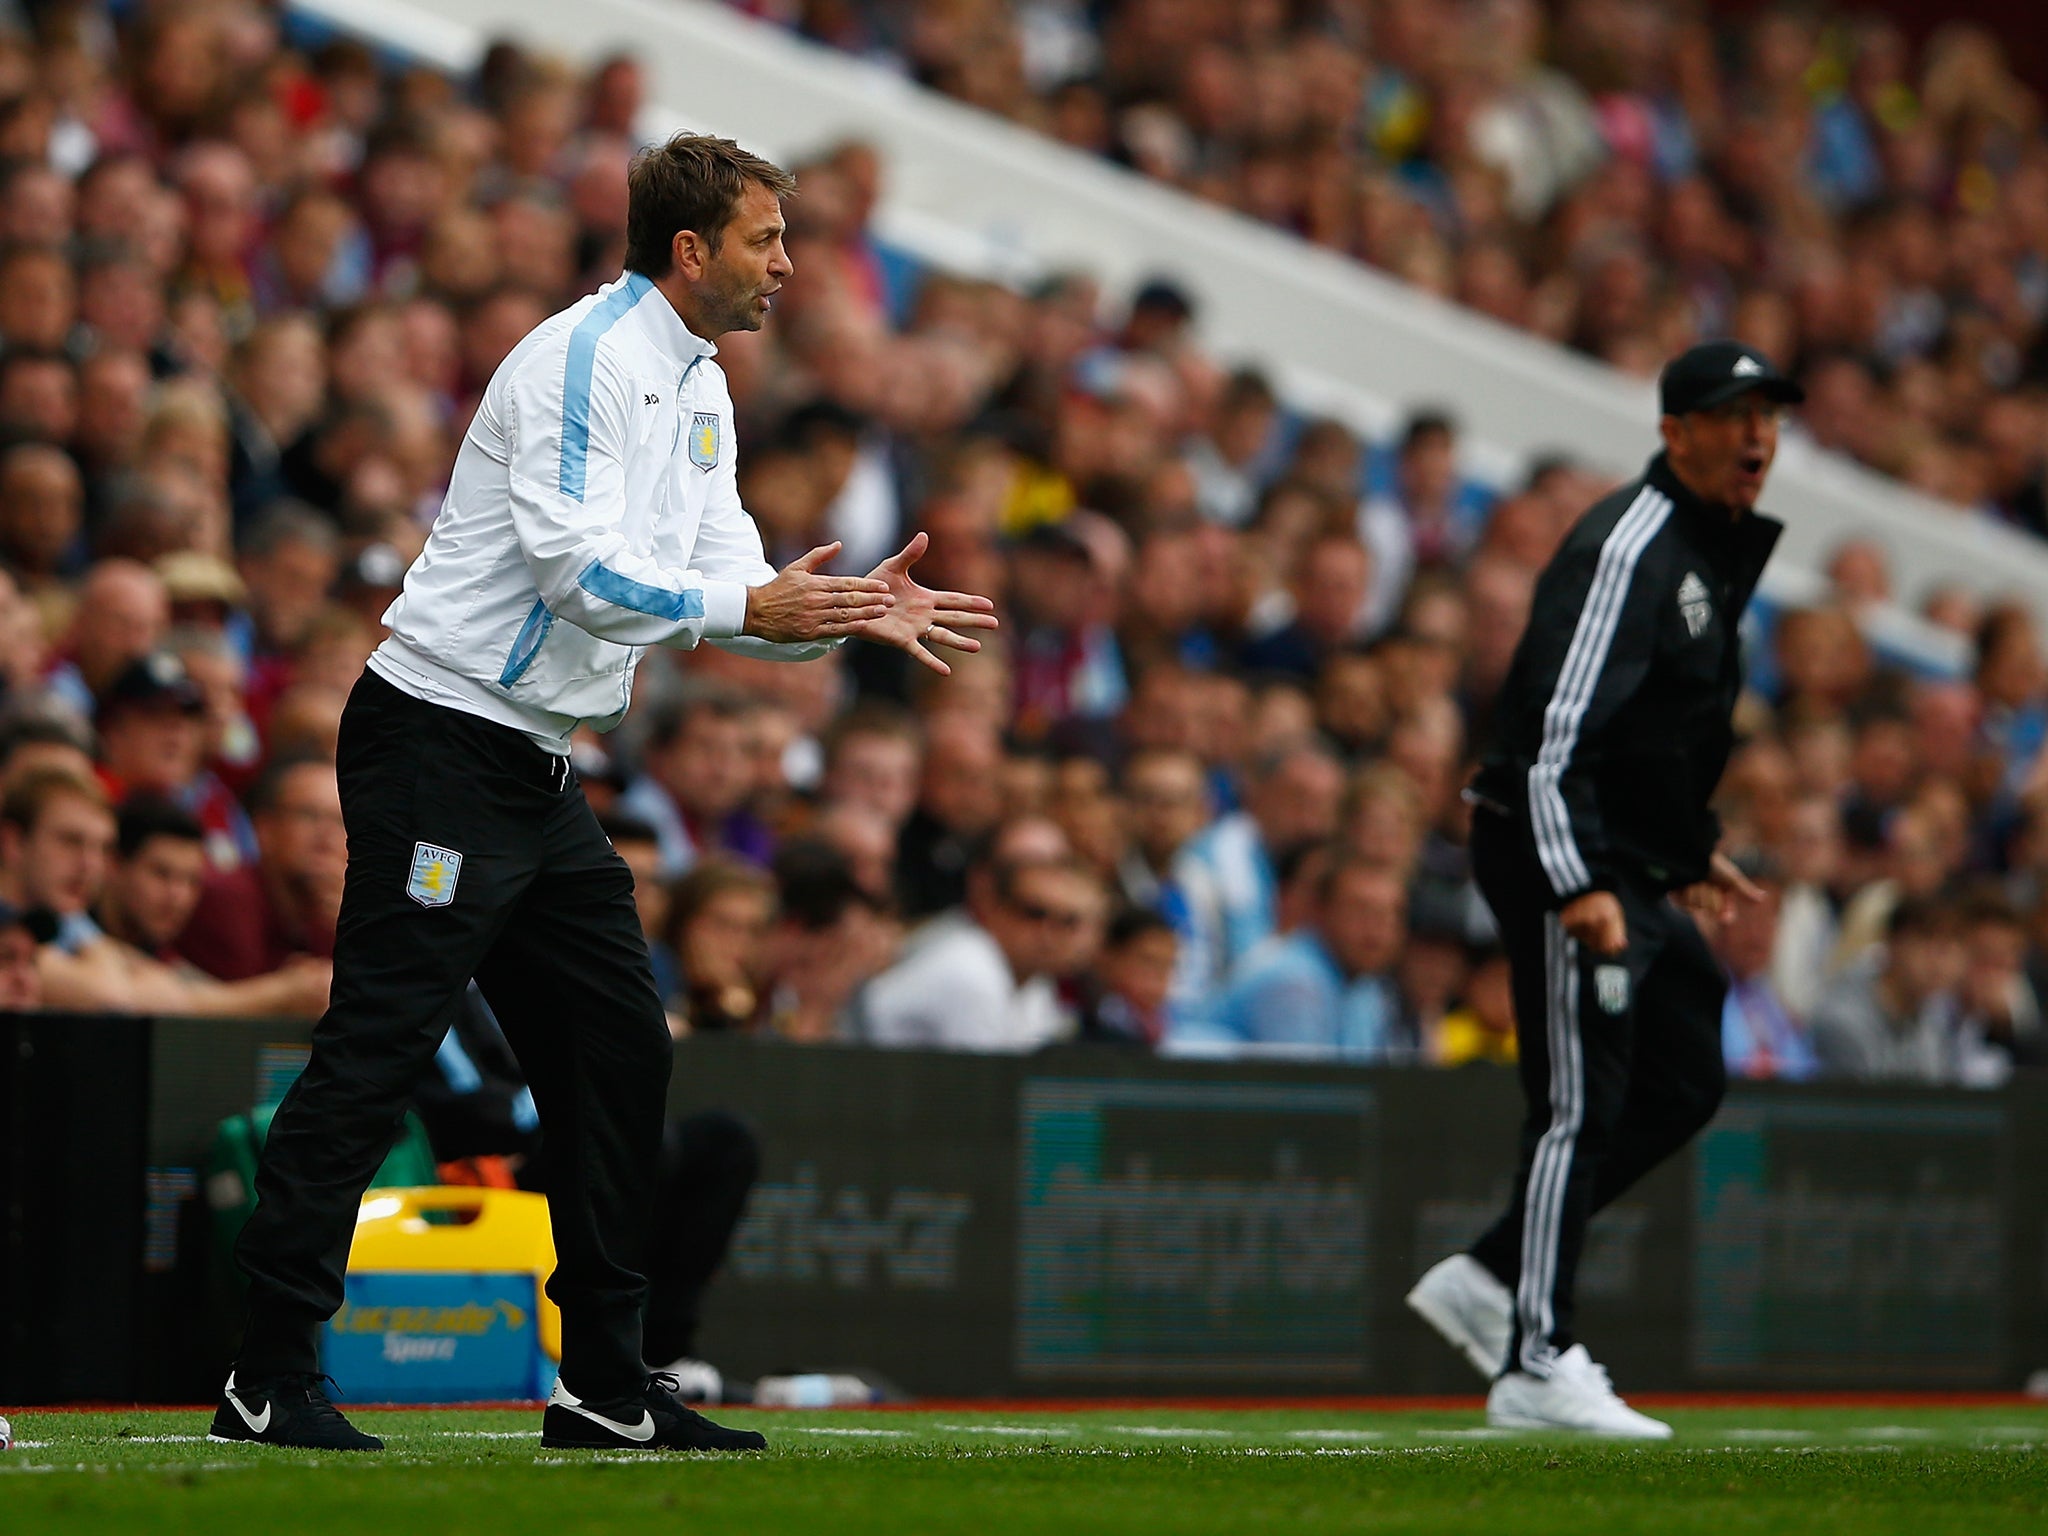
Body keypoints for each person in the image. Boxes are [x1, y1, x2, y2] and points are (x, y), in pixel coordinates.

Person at [214, 133, 996, 1454]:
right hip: (439, 737)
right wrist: (750, 601)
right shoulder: (580, 361)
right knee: (380, 1049)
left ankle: (607, 1385)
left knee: (620, 1048)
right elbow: (587, 577)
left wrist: (842, 609)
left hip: (533, 764)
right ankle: (266, 1370)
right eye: (766, 240)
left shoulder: (698, 384)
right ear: (690, 251)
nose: (787, 265)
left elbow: (730, 581)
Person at [1406, 341, 1799, 1439]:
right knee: (1578, 1101)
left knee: (1681, 1075)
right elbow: (1547, 727)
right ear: (1675, 432)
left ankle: (1488, 1279)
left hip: (1626, 856)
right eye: (1733, 416)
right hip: (1557, 849)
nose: (1757, 437)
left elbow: (1648, 731)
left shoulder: (1704, 548)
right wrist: (1576, 877)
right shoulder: (1631, 545)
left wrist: (1681, 846)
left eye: (1767, 417)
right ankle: (1532, 1359)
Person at [856, 851, 1091, 1052]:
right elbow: (983, 1089)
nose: (1049, 933)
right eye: (1033, 913)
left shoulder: (1036, 983)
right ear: (995, 909)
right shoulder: (970, 968)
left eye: (1067, 921)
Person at [1206, 856, 1412, 1060]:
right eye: (1361, 910)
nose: (1377, 930)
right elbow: (1303, 1089)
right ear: (1321, 912)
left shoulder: (1367, 989)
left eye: (1391, 914)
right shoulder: (1295, 983)